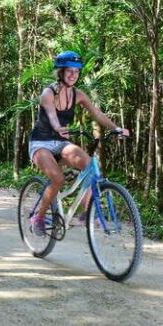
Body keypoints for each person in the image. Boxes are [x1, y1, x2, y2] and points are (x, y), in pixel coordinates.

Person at [28, 51, 129, 236]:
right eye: (69, 71)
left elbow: (97, 114)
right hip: (40, 143)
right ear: (60, 72)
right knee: (57, 179)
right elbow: (51, 114)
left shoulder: (79, 94)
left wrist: (116, 128)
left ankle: (86, 211)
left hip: (61, 142)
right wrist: (58, 126)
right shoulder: (47, 93)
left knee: (90, 166)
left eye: (76, 71)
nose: (73, 75)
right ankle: (38, 217)